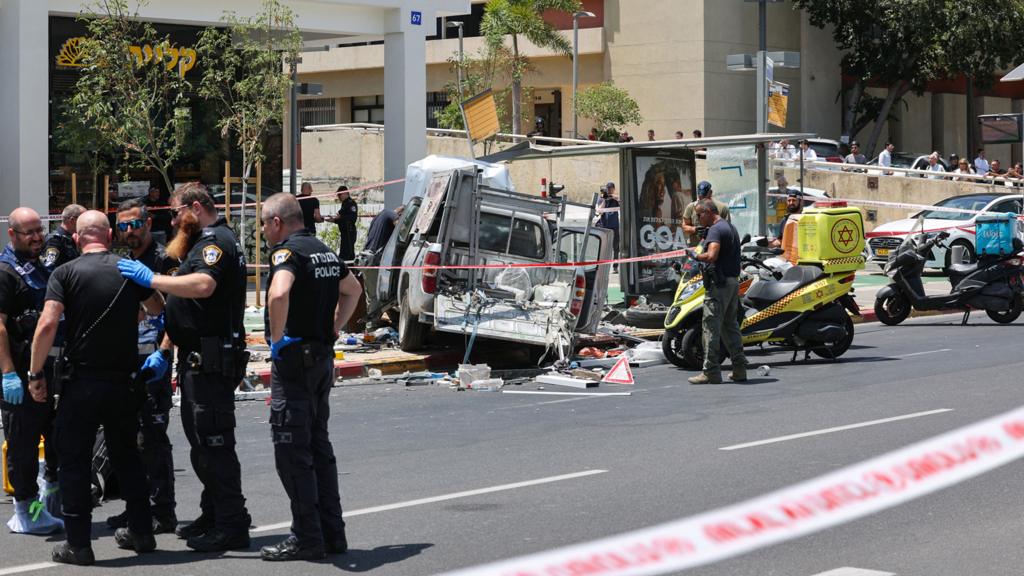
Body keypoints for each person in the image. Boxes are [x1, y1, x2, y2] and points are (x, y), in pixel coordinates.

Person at [117, 182, 251, 552]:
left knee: (214, 444)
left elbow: (204, 285)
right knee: (202, 445)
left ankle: (231, 523)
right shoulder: (203, 241)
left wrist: (152, 280)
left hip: (209, 361)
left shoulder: (215, 243)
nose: (173, 219)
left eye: (175, 212)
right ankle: (214, 515)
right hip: (197, 360)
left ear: (194, 207)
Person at [28, 210, 164, 565]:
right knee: (128, 458)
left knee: (74, 460)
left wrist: (34, 372)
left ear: (77, 238)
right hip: (123, 381)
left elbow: (47, 324)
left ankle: (79, 543)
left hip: (82, 382)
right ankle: (142, 531)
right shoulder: (126, 268)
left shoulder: (65, 272)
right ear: (108, 235)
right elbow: (155, 307)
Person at [257, 194, 361, 561]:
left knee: (291, 452)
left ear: (277, 222)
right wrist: (333, 328)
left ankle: (306, 537)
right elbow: (354, 291)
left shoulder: (287, 253)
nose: (263, 231)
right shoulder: (324, 251)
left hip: (296, 364)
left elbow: (279, 293)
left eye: (264, 224)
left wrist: (276, 339)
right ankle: (333, 533)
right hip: (320, 359)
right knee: (319, 448)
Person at [104, 198, 179, 535]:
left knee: (153, 438)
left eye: (135, 224)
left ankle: (162, 511)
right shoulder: (126, 262)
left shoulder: (164, 260)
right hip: (128, 360)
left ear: (148, 223)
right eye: (123, 226)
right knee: (130, 438)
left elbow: (175, 313)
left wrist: (164, 352)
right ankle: (139, 506)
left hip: (154, 361)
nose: (130, 231)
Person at [0, 207, 63, 535]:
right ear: (13, 234)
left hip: (47, 372)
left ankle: (47, 504)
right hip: (21, 375)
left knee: (56, 439)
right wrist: (8, 373)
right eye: (30, 233)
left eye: (40, 230)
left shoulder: (39, 268)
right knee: (23, 446)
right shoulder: (6, 272)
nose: (38, 237)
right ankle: (26, 512)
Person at [686, 199, 748, 385]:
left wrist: (695, 255)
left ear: (709, 212)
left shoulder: (715, 230)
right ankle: (739, 369)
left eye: (699, 215)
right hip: (731, 283)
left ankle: (711, 371)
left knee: (710, 327)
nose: (697, 219)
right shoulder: (730, 227)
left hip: (718, 286)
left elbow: (712, 256)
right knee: (730, 326)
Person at [361, 205, 404, 327]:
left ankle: (373, 325)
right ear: (400, 213)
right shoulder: (389, 213)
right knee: (375, 297)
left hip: (367, 259)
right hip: (373, 261)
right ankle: (372, 328)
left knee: (373, 296)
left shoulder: (379, 216)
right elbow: (399, 225)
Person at [682, 181, 730, 248]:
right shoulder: (691, 207)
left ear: (710, 193)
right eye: (700, 196)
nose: (702, 199)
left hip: (716, 247)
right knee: (696, 256)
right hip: (696, 247)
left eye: (704, 196)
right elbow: (684, 227)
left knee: (709, 256)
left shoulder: (722, 208)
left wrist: (713, 230)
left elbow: (727, 230)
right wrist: (695, 229)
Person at [42, 204, 85, 272]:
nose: (85, 223)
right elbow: (49, 268)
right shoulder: (55, 240)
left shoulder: (70, 238)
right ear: (72, 220)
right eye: (83, 220)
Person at [325, 185, 358, 261]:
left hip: (349, 231)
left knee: (348, 254)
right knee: (344, 252)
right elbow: (341, 217)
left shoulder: (351, 203)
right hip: (344, 232)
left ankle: (351, 270)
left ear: (345, 193)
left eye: (340, 194)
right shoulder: (345, 204)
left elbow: (352, 218)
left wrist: (339, 218)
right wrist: (333, 220)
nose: (338, 197)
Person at [597, 182, 620, 271]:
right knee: (603, 248)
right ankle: (602, 267)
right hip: (604, 227)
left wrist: (612, 196)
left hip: (615, 226)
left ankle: (615, 267)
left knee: (616, 247)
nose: (609, 190)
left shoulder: (615, 199)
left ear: (614, 189)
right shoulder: (602, 199)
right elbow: (600, 211)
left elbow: (621, 201)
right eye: (608, 189)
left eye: (611, 188)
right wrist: (604, 199)